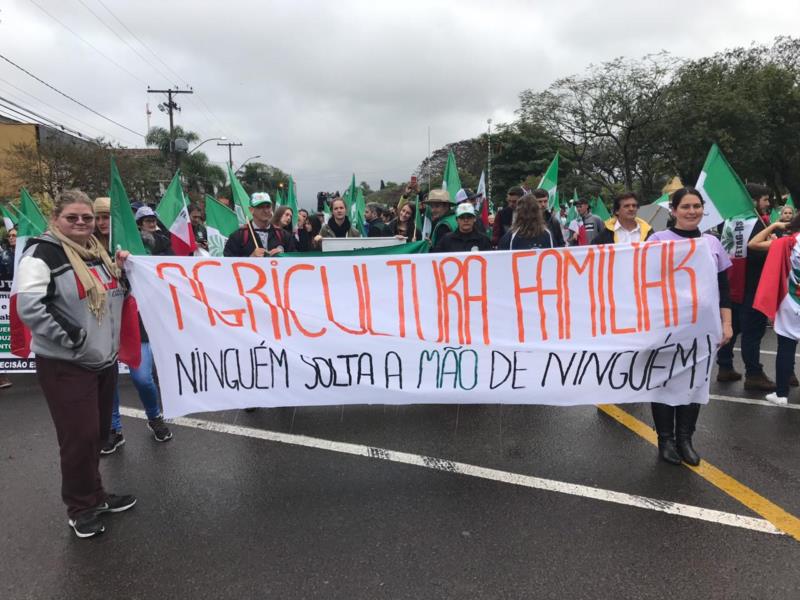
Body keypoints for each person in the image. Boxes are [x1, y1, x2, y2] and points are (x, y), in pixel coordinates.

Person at [15, 190, 136, 538]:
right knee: (78, 438)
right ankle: (80, 507)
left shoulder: (98, 253)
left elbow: (116, 293)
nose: (81, 223)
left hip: (102, 360)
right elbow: (32, 307)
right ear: (56, 219)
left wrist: (125, 269)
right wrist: (78, 340)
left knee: (96, 435)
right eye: (72, 218)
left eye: (86, 217)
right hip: (67, 363)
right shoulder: (41, 253)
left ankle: (95, 494)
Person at [648, 187, 733, 466]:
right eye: (685, 206)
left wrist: (726, 324)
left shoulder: (712, 243)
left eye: (697, 206)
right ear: (673, 211)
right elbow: (640, 280)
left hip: (702, 329)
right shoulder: (658, 240)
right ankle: (666, 441)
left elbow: (724, 287)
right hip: (666, 326)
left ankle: (685, 440)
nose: (692, 211)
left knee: (694, 383)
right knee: (663, 381)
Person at [715, 183, 777, 392]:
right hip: (752, 285)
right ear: (753, 201)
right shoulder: (757, 224)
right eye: (765, 199)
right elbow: (758, 253)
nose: (767, 204)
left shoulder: (727, 222)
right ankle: (754, 373)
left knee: (732, 327)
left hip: (730, 283)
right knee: (753, 332)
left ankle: (725, 367)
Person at [753, 211, 800, 404]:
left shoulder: (787, 242)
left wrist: (773, 226)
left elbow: (753, 244)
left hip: (790, 301)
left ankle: (781, 394)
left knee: (786, 347)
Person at [224, 193, 283, 257]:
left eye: (268, 206)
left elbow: (294, 256)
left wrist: (283, 255)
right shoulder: (238, 236)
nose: (266, 210)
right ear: (251, 210)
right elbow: (228, 261)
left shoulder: (282, 234)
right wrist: (251, 258)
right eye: (260, 207)